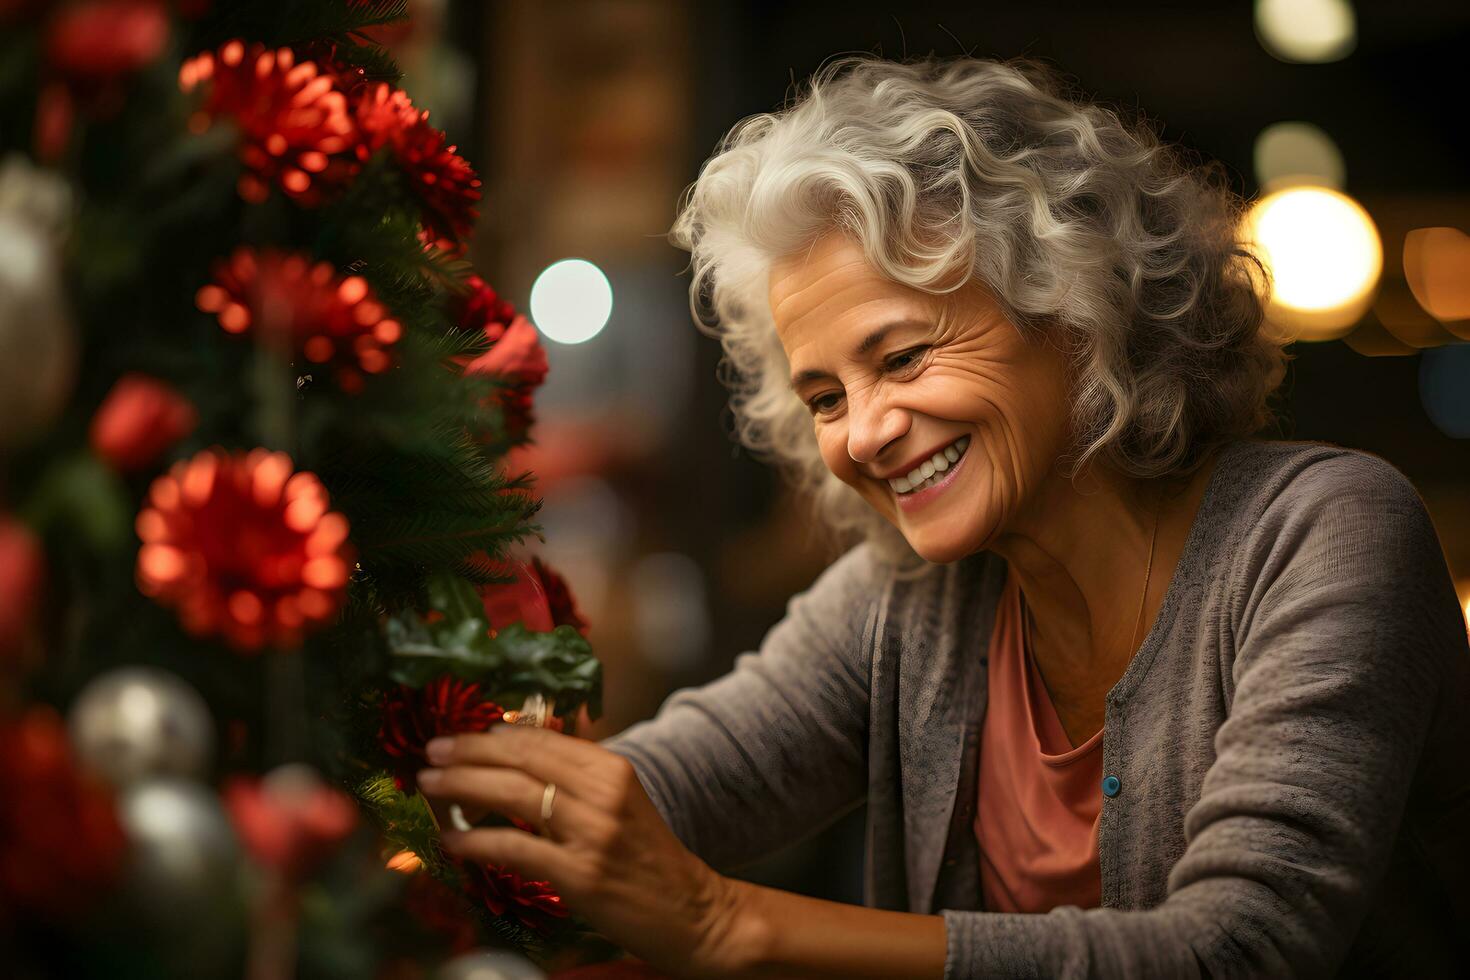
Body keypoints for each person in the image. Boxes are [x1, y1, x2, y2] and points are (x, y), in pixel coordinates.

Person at [415, 55, 1470, 978]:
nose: (864, 432)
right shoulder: (907, 598)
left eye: (904, 355)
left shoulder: (1325, 534)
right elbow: (673, 784)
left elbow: (1238, 949)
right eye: (825, 395)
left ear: (1074, 307)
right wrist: (409, 774)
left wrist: (722, 922)